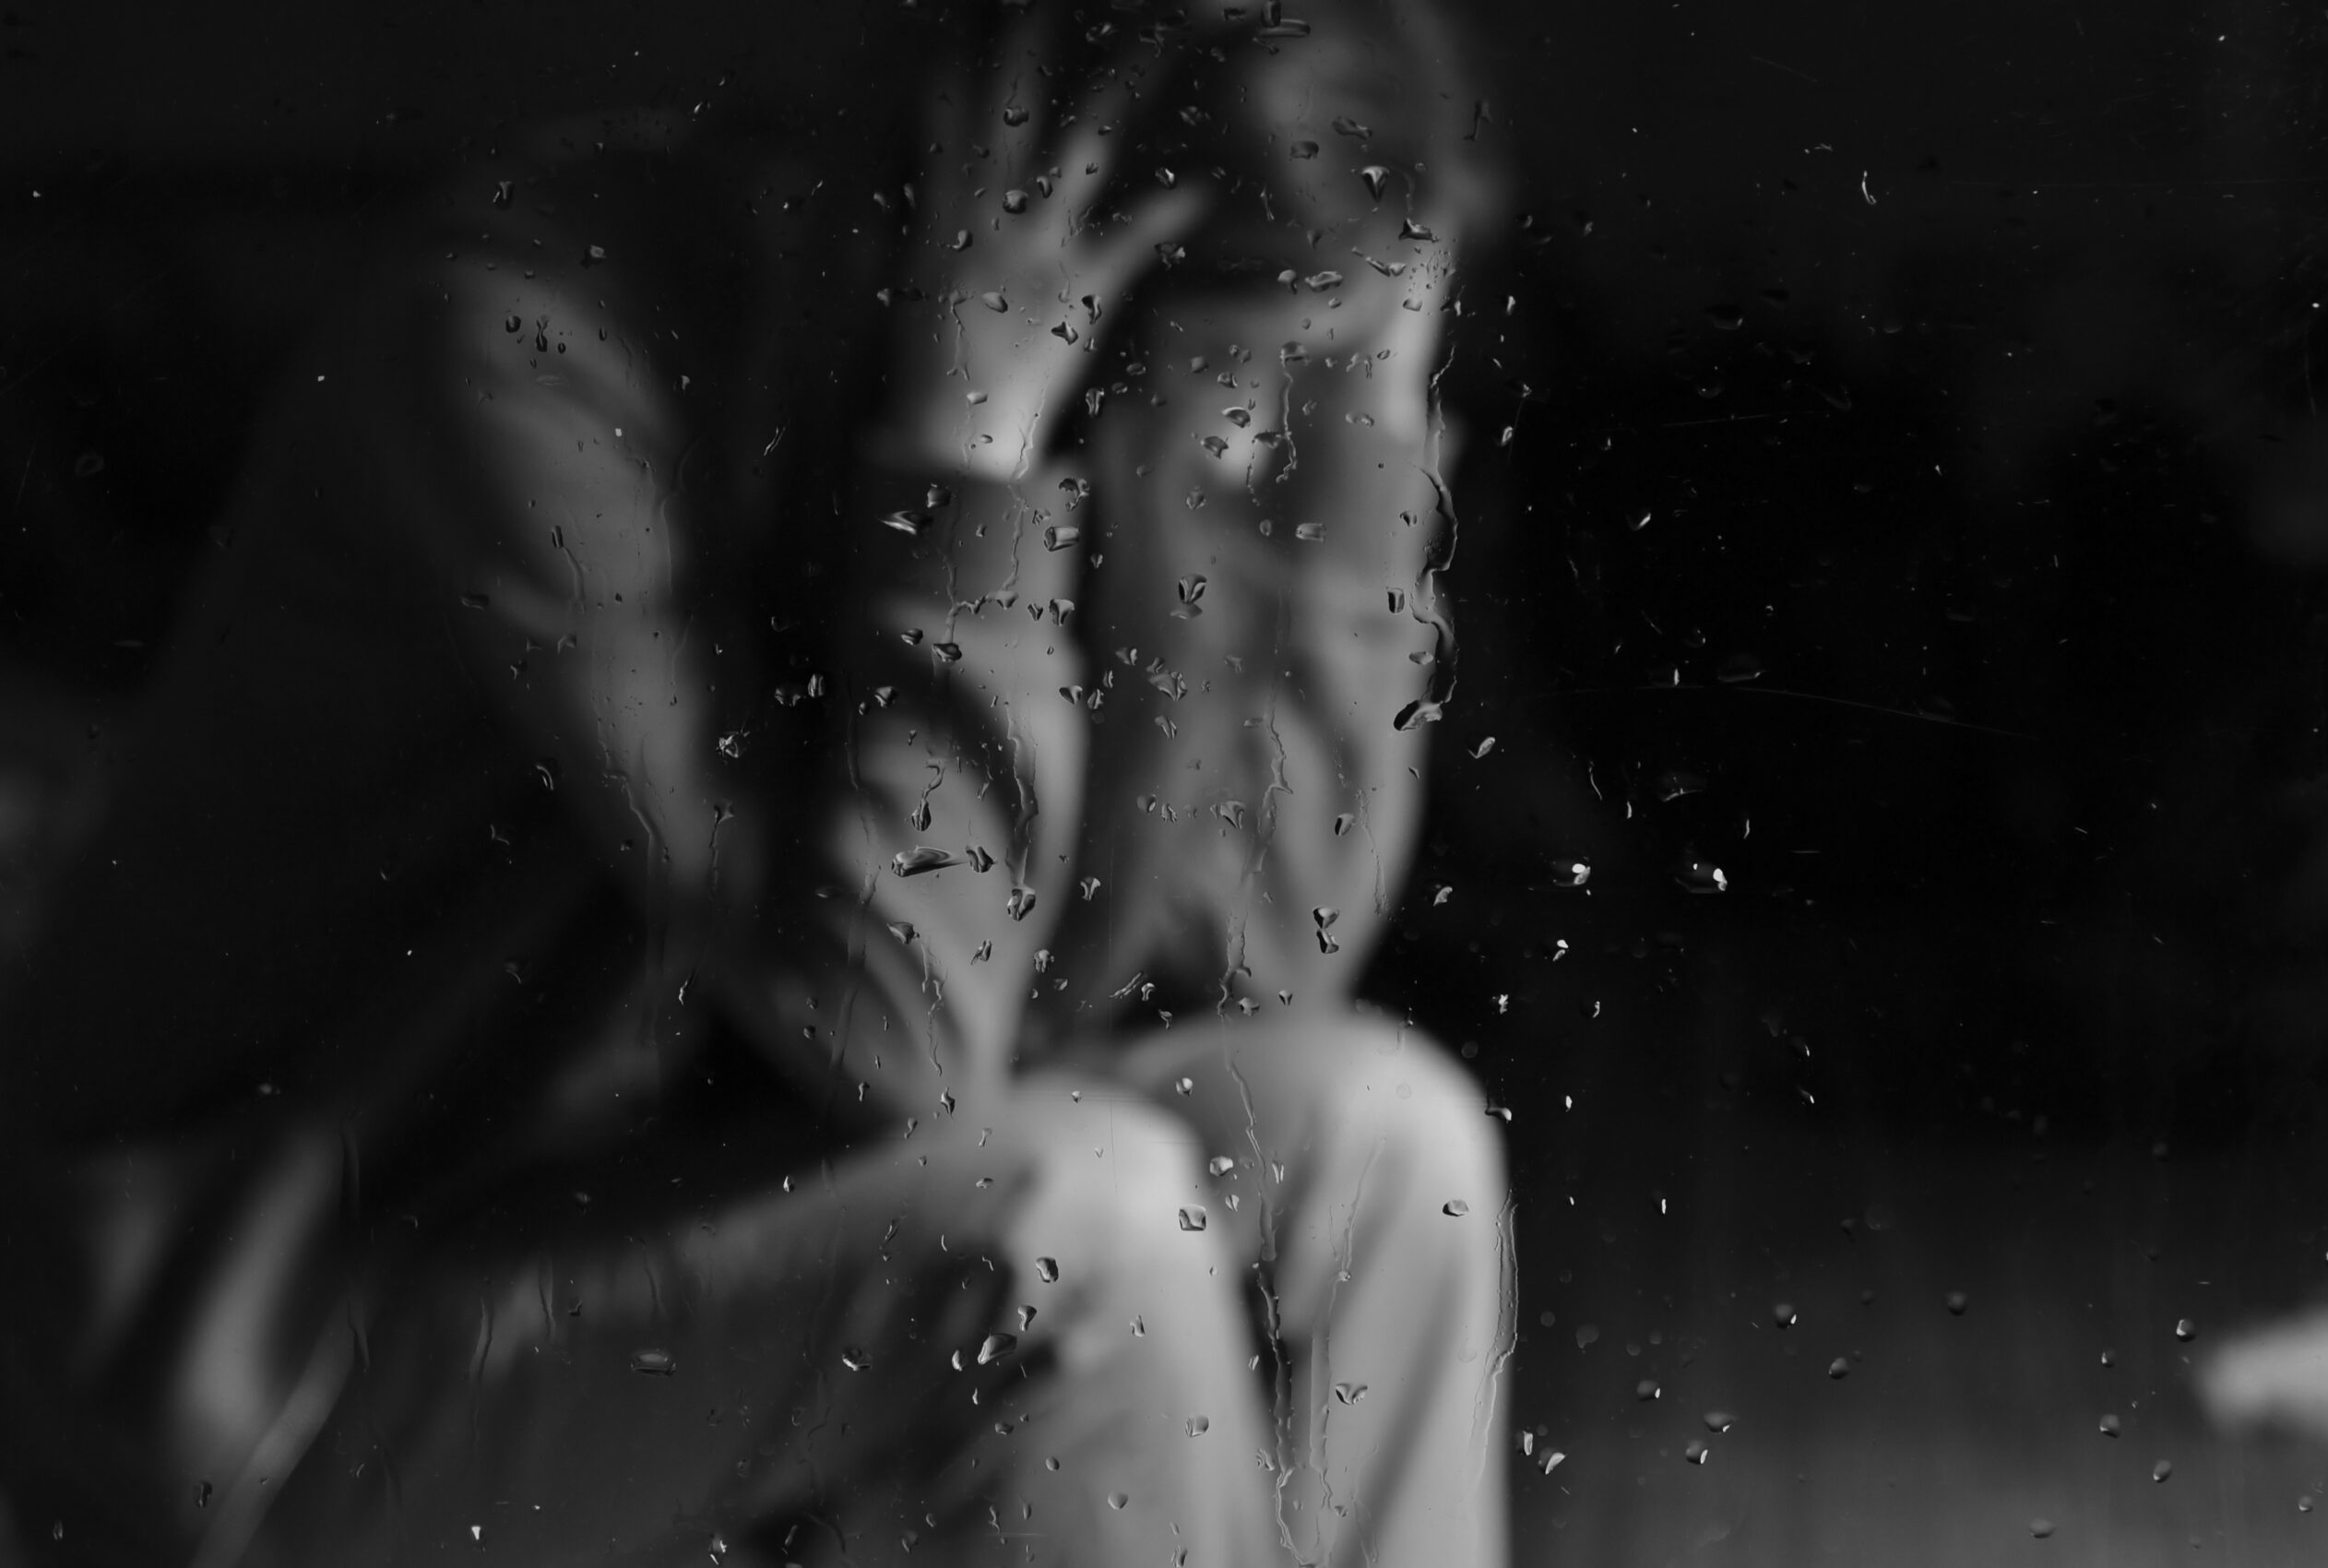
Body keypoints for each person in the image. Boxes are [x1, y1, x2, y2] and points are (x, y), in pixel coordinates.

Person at [0, 4, 1515, 1563]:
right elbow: (903, 1048)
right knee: (1081, 1227)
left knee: (1386, 1137)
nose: (1270, 455)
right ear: (1088, 283)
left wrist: (1364, 470)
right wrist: (965, 465)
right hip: (290, 1360)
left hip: (682, 1234)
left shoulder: (1105, 417)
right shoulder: (524, 353)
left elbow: (1266, 957)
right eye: (1267, 393)